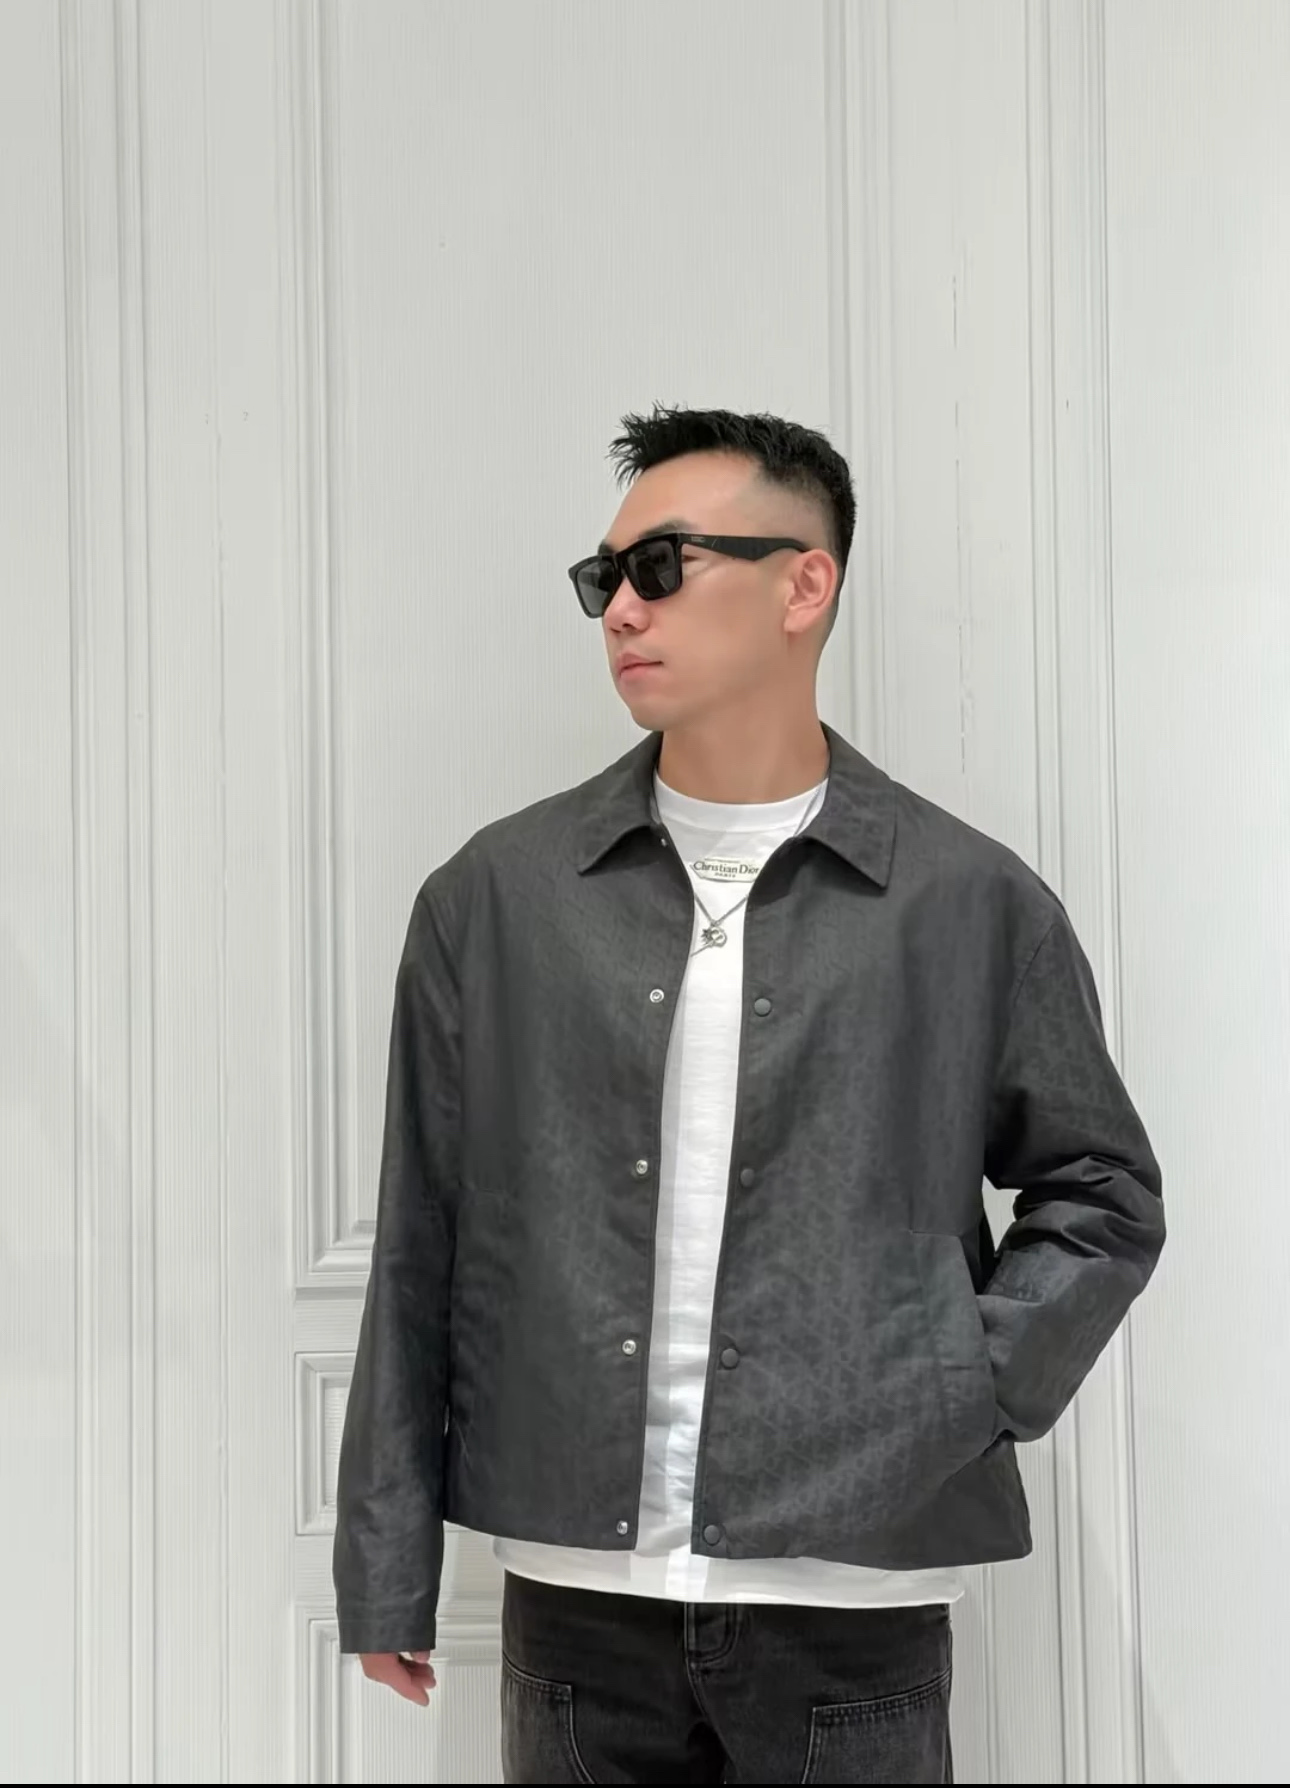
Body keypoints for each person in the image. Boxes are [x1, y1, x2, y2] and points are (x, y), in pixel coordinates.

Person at [332, 405, 1165, 1784]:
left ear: (803, 584)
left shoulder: (965, 902)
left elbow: (1101, 1192)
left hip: (852, 1598)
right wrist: (383, 1567)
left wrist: (957, 1388)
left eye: (660, 566)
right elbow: (421, 1237)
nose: (620, 610)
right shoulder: (497, 900)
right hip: (577, 1606)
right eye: (604, 579)